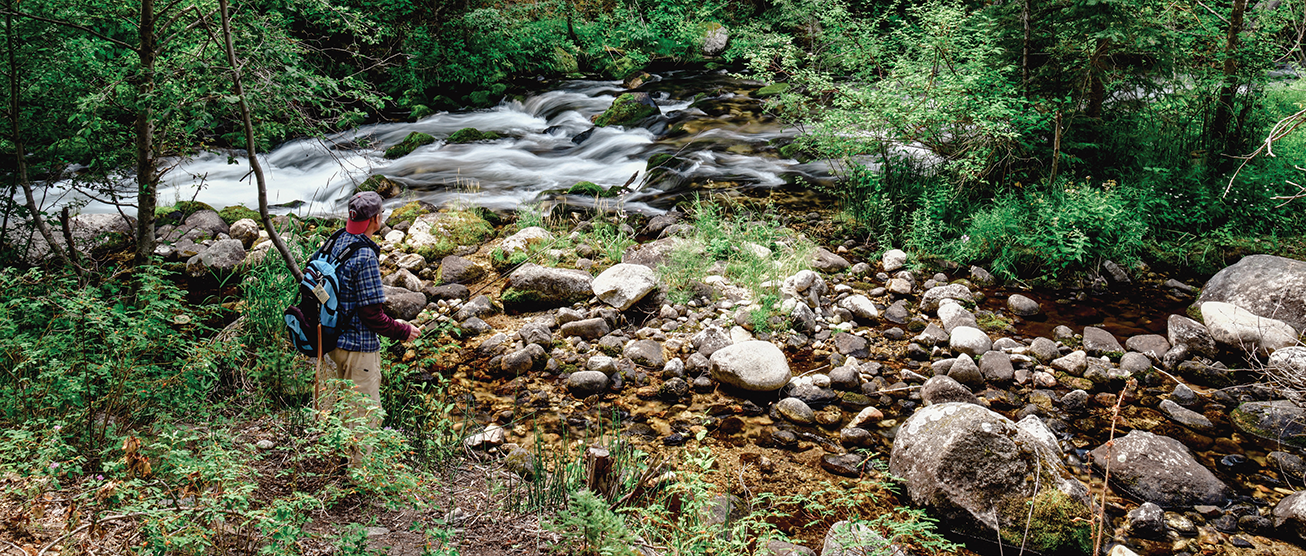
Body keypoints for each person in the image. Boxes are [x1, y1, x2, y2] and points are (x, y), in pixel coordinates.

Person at [323, 191, 421, 466]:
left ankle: (342, 463)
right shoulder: (365, 255)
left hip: (332, 341)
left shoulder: (337, 241)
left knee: (345, 409)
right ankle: (360, 478)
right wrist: (402, 331)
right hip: (358, 348)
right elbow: (371, 315)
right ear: (376, 219)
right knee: (365, 416)